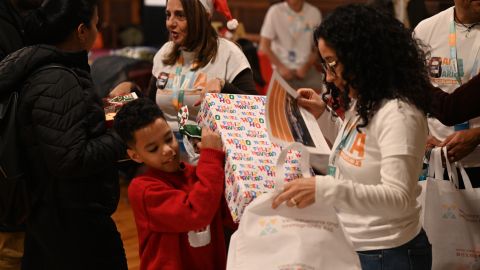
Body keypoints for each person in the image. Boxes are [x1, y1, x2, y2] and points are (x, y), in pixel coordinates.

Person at [272, 5, 432, 269]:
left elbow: (398, 197)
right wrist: (322, 116)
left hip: (389, 253)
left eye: (333, 63)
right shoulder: (366, 99)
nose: (329, 76)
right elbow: (359, 150)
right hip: (357, 244)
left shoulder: (400, 114)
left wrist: (325, 189)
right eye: (325, 64)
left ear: (362, 57)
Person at [0, 0, 128, 269]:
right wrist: (124, 137)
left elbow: (69, 125)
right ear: (81, 31)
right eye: (96, 24)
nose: (97, 29)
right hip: (70, 224)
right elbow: (70, 158)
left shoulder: (59, 69)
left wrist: (113, 107)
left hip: (61, 217)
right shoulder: (57, 78)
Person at [113, 98, 233, 270]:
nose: (167, 150)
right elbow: (195, 213)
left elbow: (229, 216)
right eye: (153, 149)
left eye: (169, 138)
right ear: (135, 156)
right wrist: (212, 156)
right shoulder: (142, 190)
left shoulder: (200, 174)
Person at [149, 0, 256, 155]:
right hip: (167, 156)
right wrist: (130, 90)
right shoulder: (165, 52)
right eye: (168, 15)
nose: (170, 23)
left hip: (209, 156)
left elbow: (254, 111)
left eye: (180, 15)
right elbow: (150, 106)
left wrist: (223, 85)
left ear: (204, 17)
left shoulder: (229, 54)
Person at [414, 0, 480, 185]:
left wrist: (477, 135)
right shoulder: (425, 30)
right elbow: (409, 96)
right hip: (438, 160)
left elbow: (449, 109)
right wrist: (421, 135)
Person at [259, 0, 323, 91]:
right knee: (279, 98)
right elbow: (264, 46)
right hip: (280, 71)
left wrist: (307, 66)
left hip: (306, 70)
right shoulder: (274, 11)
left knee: (323, 93)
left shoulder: (314, 13)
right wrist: (281, 67)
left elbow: (318, 47)